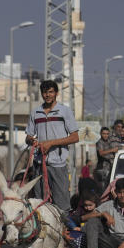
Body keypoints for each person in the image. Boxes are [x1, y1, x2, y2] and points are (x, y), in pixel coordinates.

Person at [25, 79, 79, 214]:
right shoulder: (35, 113)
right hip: (39, 164)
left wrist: (51, 143)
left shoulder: (64, 111)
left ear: (56, 93)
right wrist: (32, 141)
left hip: (58, 164)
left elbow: (75, 137)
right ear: (41, 94)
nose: (47, 95)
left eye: (50, 92)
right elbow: (28, 137)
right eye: (45, 92)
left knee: (62, 205)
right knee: (39, 204)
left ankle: (64, 233)